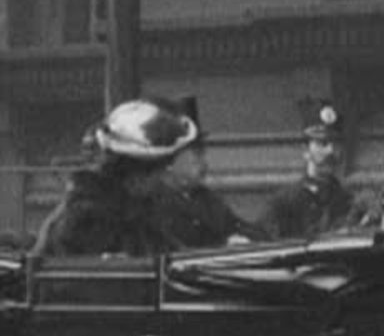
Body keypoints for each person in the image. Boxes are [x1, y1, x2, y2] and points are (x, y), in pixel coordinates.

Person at [33, 96, 248, 257]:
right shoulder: (87, 220)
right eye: (158, 171)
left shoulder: (134, 210)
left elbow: (169, 258)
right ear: (136, 176)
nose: (161, 179)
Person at [152, 96, 260, 248]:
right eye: (195, 152)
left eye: (202, 151)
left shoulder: (207, 198)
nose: (203, 160)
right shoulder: (153, 206)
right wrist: (224, 246)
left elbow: (241, 228)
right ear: (169, 160)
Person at [263, 100, 353, 240]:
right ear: (305, 150)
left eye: (336, 144)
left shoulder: (348, 203)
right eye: (322, 143)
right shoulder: (283, 205)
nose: (331, 151)